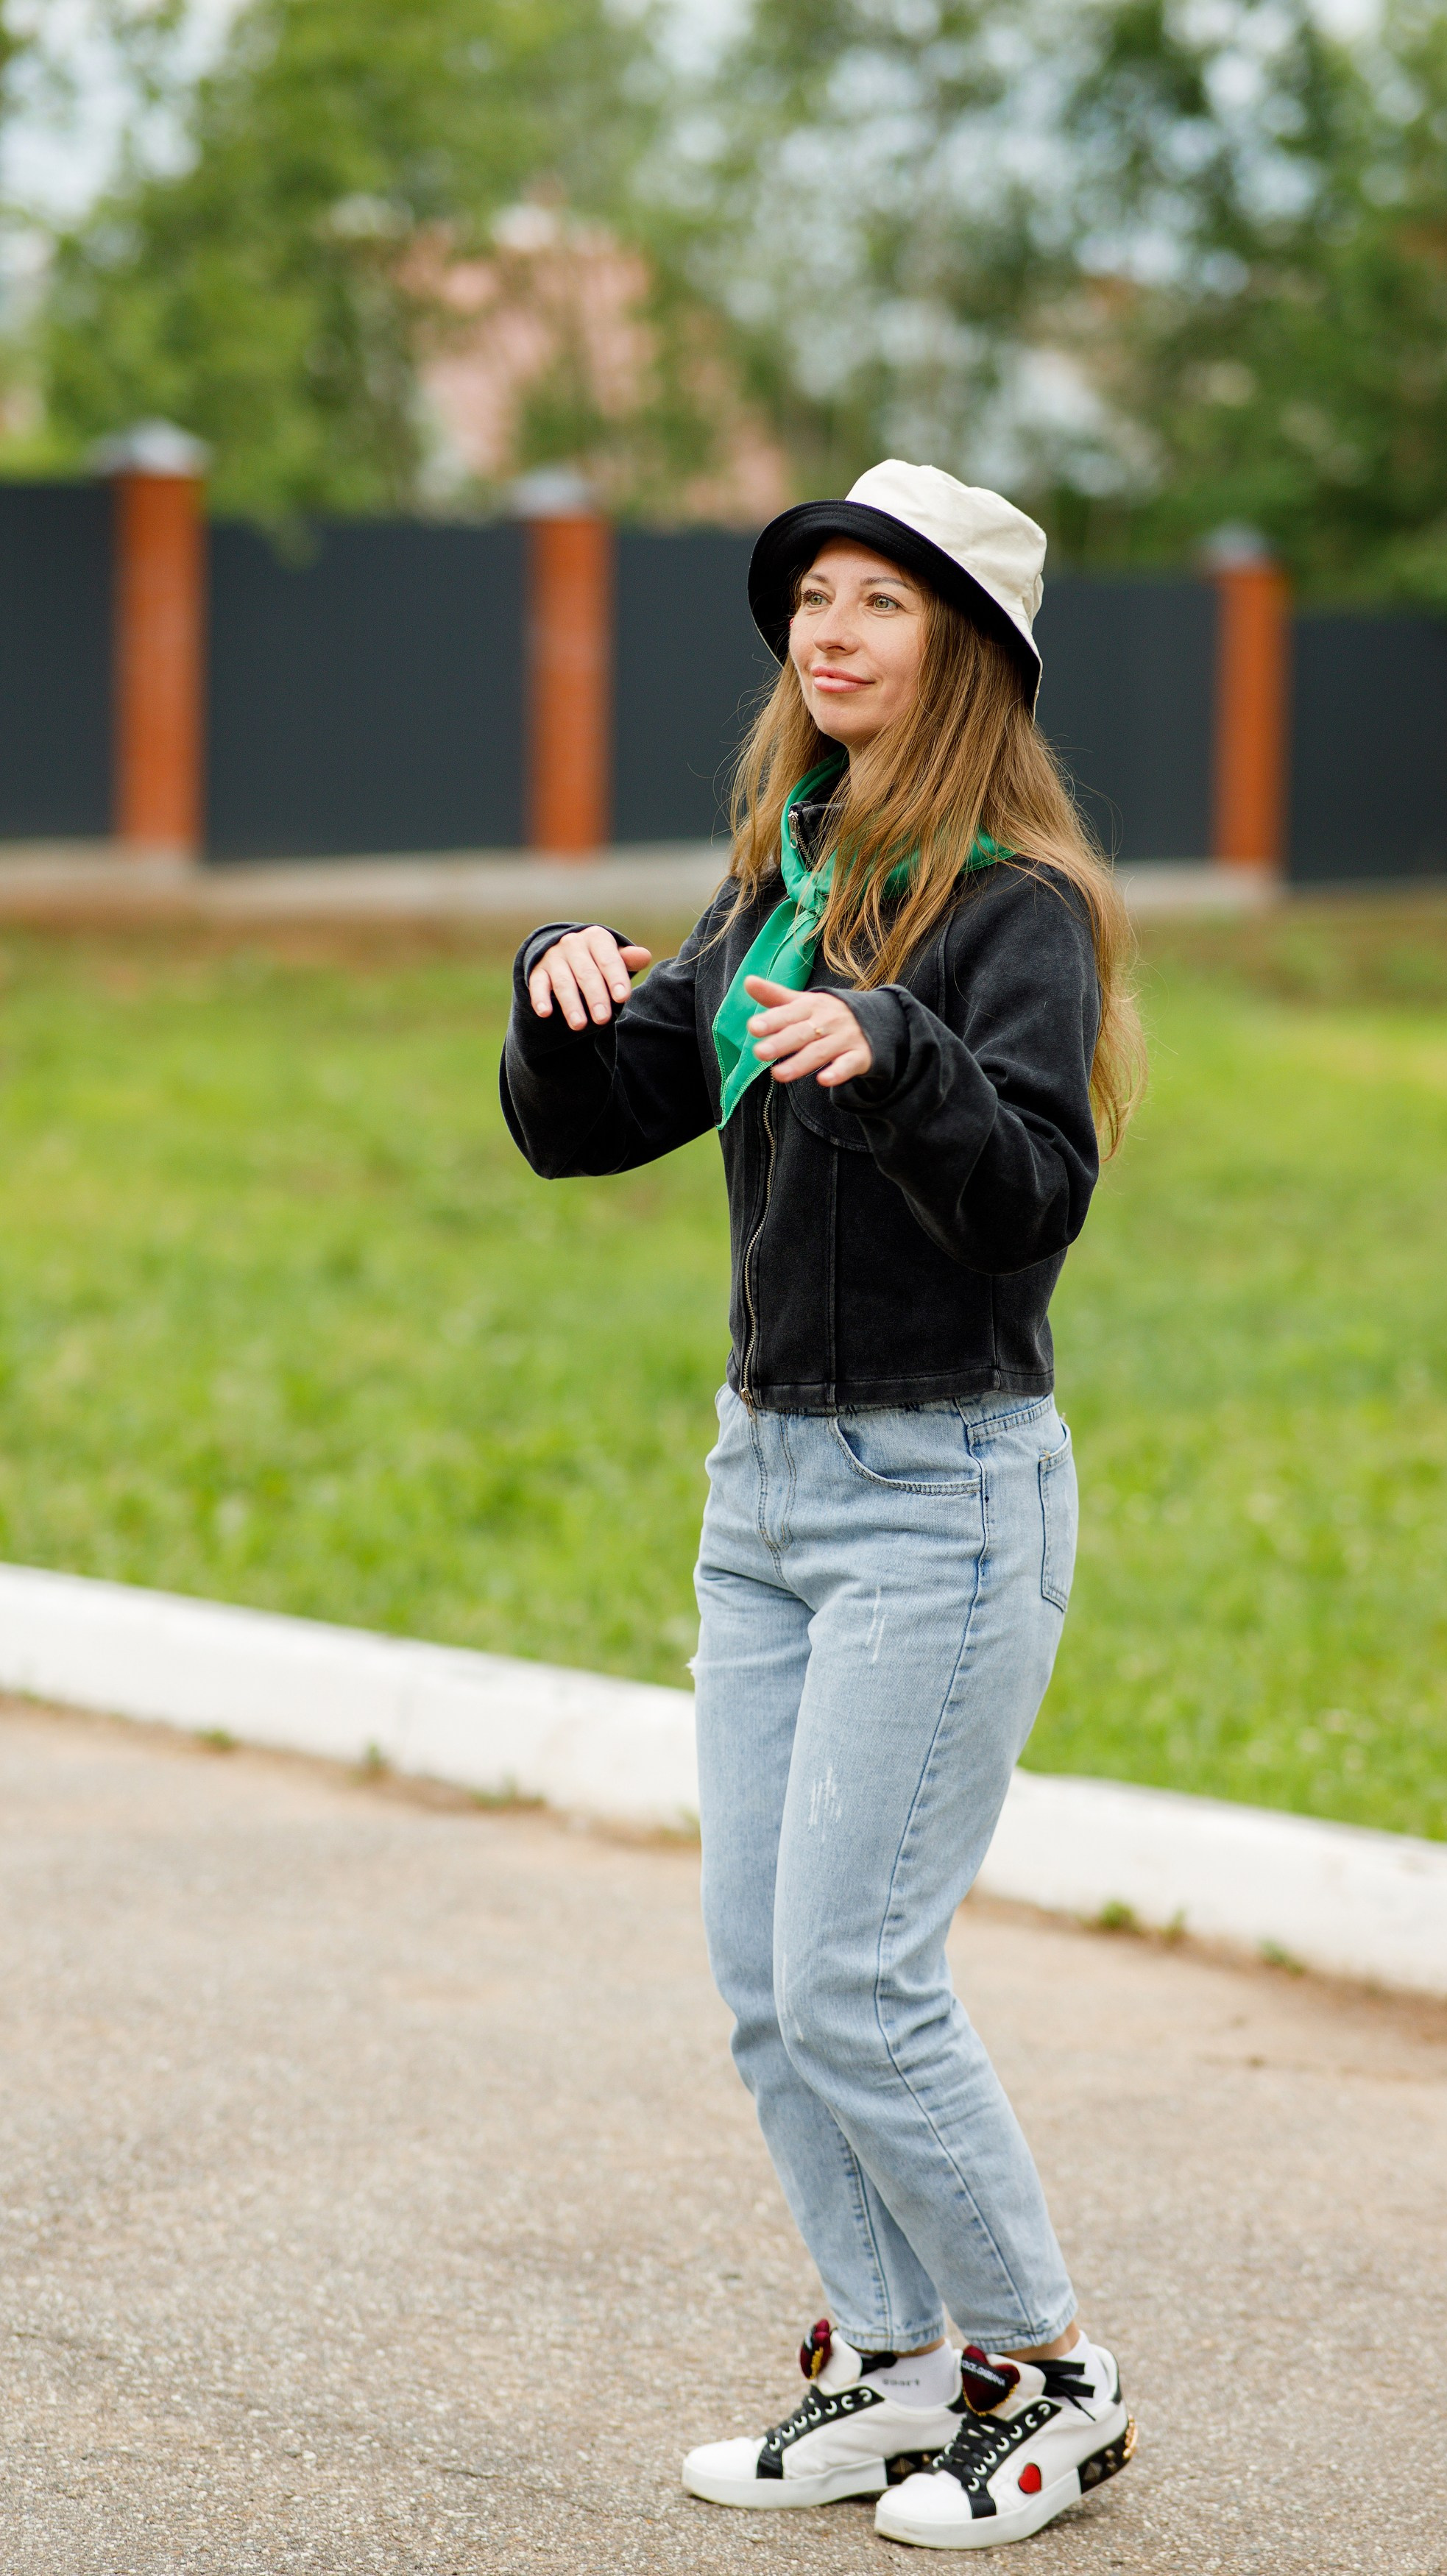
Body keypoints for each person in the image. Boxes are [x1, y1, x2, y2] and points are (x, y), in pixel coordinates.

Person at [500, 459, 1143, 2550]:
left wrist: (900, 1052)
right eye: (818, 598)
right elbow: (614, 1118)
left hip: (938, 1499)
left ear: (965, 653)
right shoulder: (785, 868)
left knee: (859, 1971)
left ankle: (1051, 2377)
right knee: (767, 1976)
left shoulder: (1010, 909)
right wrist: (557, 996)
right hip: (764, 1482)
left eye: (885, 601)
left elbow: (1035, 1191)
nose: (834, 630)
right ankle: (890, 2363)